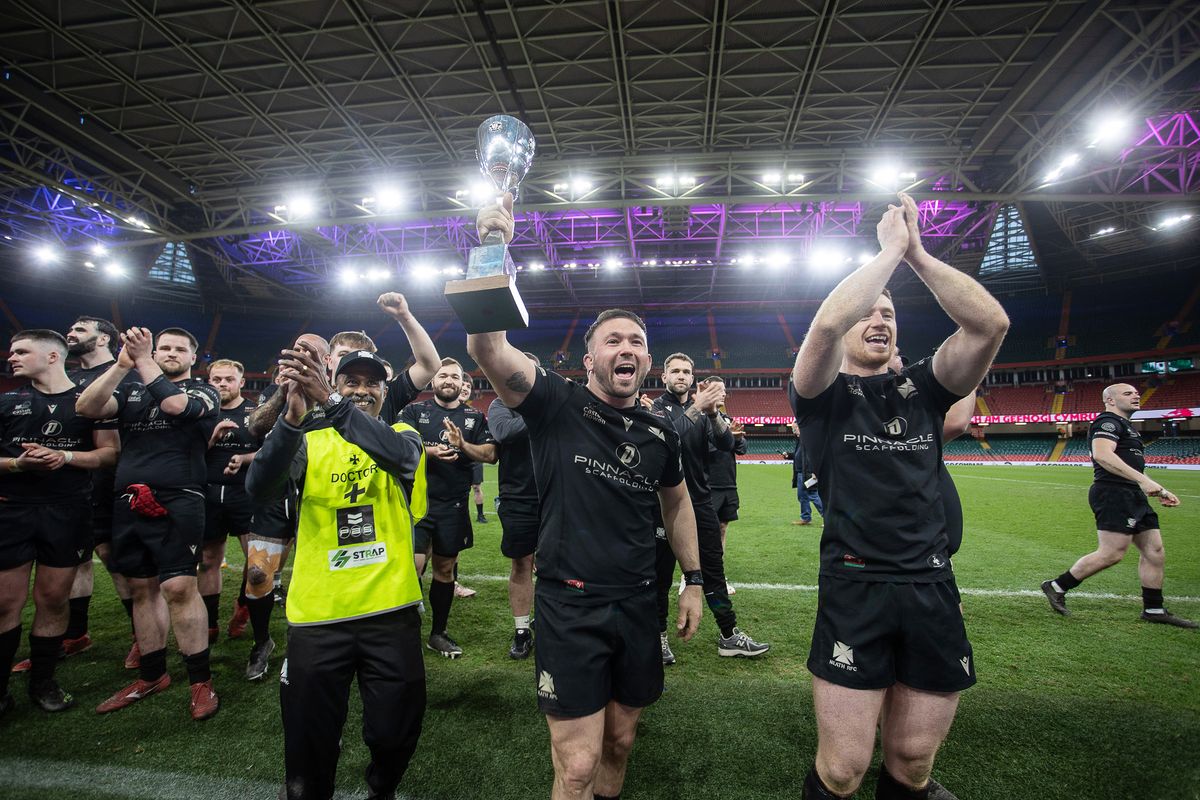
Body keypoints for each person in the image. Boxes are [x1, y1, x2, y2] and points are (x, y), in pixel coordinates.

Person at [469, 193, 703, 800]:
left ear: (647, 359)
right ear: (589, 356)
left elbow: (677, 503)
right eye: (612, 340)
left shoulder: (660, 433)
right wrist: (492, 247)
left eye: (636, 341)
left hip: (638, 602)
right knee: (576, 766)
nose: (626, 348)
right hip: (570, 605)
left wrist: (694, 579)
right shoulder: (556, 404)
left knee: (620, 743)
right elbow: (487, 349)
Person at [790, 193, 1009, 800]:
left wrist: (917, 255)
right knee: (843, 768)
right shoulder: (821, 396)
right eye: (868, 312)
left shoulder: (924, 389)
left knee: (912, 763)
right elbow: (827, 325)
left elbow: (989, 325)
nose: (878, 320)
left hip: (930, 586)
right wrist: (887, 253)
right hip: (855, 587)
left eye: (888, 313)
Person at [246, 345, 428, 800]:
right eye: (351, 382)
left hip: (390, 612)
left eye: (372, 383)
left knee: (395, 733)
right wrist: (291, 420)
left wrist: (331, 400)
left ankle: (381, 788)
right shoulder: (307, 441)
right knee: (309, 747)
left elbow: (401, 458)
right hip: (318, 617)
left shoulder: (403, 434)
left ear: (385, 392)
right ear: (338, 384)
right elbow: (260, 487)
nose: (362, 390)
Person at [76, 326, 223, 721]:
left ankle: (200, 681)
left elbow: (175, 407)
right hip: (127, 497)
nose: (171, 353)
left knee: (178, 586)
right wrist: (122, 365)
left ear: (193, 357)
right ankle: (152, 675)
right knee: (142, 587)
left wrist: (142, 360)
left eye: (180, 349)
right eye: (164, 348)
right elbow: (86, 407)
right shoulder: (130, 390)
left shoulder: (204, 391)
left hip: (180, 497)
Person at [0, 330, 118, 715]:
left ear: (53, 356)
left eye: (22, 351)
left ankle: (43, 681)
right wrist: (17, 464)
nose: (12, 357)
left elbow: (109, 454)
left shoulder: (89, 403)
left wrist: (65, 457)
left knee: (53, 599)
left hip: (68, 511)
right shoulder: (7, 402)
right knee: (5, 602)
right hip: (12, 510)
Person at [1040, 383, 1195, 628]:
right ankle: (1056, 586)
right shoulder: (1107, 422)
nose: (1136, 395)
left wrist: (1160, 489)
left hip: (1133, 494)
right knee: (1111, 553)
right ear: (1110, 400)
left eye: (1136, 393)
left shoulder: (1127, 427)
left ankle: (1154, 609)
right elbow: (1102, 454)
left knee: (1154, 551)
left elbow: (1131, 465)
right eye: (1127, 393)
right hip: (1113, 493)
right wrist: (1143, 481)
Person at [653, 354, 769, 660]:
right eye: (675, 371)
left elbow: (727, 444)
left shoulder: (704, 412)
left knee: (714, 573)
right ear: (664, 377)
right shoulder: (655, 408)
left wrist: (714, 413)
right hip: (665, 504)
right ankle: (659, 636)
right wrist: (698, 407)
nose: (681, 375)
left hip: (701, 502)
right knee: (660, 575)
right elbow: (669, 437)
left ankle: (729, 635)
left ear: (693, 378)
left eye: (686, 372)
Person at [242, 334, 331, 681]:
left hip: (317, 496)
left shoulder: (333, 394)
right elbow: (255, 427)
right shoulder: (276, 390)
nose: (302, 355)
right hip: (276, 496)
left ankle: (311, 642)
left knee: (321, 574)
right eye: (298, 349)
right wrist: (283, 392)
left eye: (311, 352)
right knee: (257, 574)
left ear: (327, 361)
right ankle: (261, 642)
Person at [399, 358, 496, 658]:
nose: (448, 381)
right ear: (433, 380)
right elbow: (399, 446)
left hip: (453, 507)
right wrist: (431, 451)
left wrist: (462, 445)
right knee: (413, 566)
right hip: (418, 505)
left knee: (444, 569)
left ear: (462, 382)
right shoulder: (415, 412)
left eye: (454, 376)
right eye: (443, 376)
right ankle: (403, 632)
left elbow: (491, 454)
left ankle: (437, 633)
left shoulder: (474, 417)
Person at [486, 351, 543, 659]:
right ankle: (521, 630)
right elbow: (504, 432)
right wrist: (539, 411)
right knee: (521, 563)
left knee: (555, 564)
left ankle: (548, 620)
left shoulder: (551, 403)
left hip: (555, 495)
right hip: (518, 497)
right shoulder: (500, 404)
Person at [201, 359, 258, 644]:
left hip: (245, 493)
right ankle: (209, 623)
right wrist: (212, 439)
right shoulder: (200, 411)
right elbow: (183, 451)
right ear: (209, 381)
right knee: (208, 559)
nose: (222, 384)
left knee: (255, 559)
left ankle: (243, 606)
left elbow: (271, 450)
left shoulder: (256, 412)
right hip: (208, 492)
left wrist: (244, 458)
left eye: (228, 379)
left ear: (241, 382)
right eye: (217, 379)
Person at [704, 375, 747, 595]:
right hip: (707, 485)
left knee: (722, 529)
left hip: (728, 484)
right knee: (704, 533)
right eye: (718, 389)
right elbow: (702, 449)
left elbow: (742, 449)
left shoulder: (727, 419)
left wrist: (736, 438)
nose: (723, 393)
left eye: (724, 390)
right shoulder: (700, 419)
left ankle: (717, 576)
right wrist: (727, 437)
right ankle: (691, 576)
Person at [461, 381, 489, 525]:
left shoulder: (475, 414)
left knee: (477, 487)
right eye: (463, 385)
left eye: (468, 386)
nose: (465, 389)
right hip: (456, 458)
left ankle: (480, 515)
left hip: (474, 457)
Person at [789, 422, 824, 526]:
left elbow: (814, 456)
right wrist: (789, 456)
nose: (794, 431)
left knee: (812, 495)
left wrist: (814, 471)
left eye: (795, 429)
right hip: (801, 473)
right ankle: (805, 518)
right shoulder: (801, 440)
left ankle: (828, 517)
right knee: (802, 496)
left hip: (808, 473)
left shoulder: (809, 440)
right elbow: (800, 456)